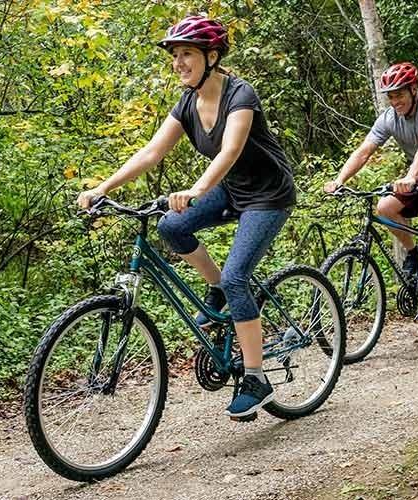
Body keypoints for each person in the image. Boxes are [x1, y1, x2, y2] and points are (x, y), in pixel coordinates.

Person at [77, 15, 296, 418]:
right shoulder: (187, 103)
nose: (178, 62)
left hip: (268, 195)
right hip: (232, 189)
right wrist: (103, 187)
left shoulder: (240, 94)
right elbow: (151, 152)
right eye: (175, 55)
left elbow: (230, 150)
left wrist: (196, 190)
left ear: (211, 57)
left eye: (187, 54)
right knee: (172, 227)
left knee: (237, 277)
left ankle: (255, 378)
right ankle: (216, 287)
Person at [324, 62, 418, 321]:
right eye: (390, 96)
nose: (395, 101)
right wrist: (339, 180)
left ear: (413, 89)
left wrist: (411, 177)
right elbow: (364, 151)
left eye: (399, 94)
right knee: (385, 208)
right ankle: (414, 253)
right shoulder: (389, 118)